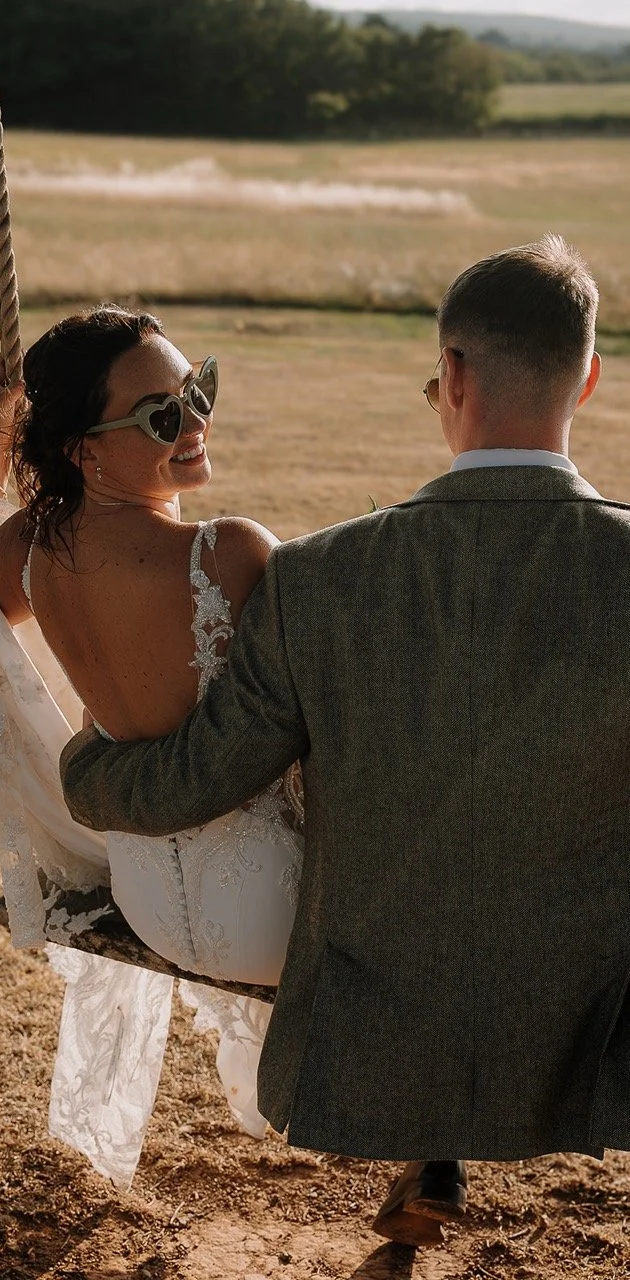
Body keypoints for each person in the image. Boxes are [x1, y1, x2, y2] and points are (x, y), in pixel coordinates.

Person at [59, 235, 627, 1248]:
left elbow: (200, 774)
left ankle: (430, 1148)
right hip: (590, 1028)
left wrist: (86, 770)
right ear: (585, 376)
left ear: (449, 376)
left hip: (381, 1015)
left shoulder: (319, 580)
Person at [0, 304, 302, 1188]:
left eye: (199, 390)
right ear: (83, 450)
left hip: (152, 900)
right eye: (161, 415)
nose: (194, 423)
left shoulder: (33, 551)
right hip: (276, 913)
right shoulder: (230, 550)